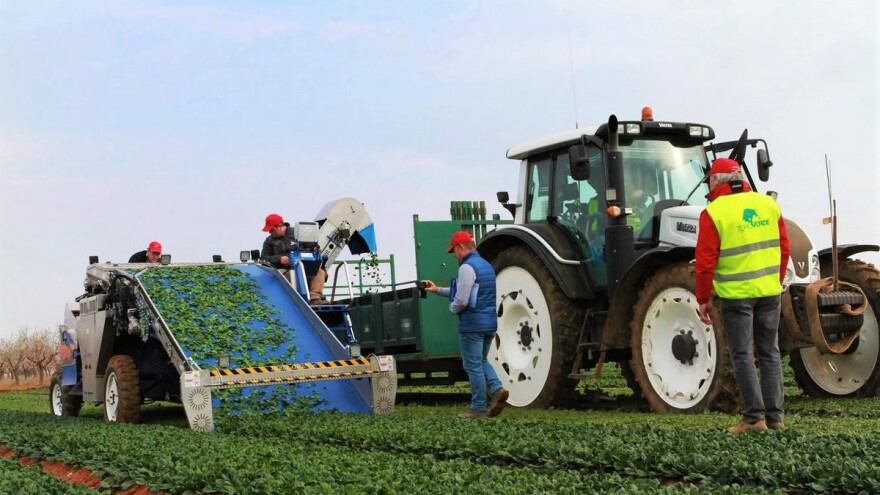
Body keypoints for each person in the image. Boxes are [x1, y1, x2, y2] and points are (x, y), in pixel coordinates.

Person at [695, 157, 790, 434]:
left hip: (736, 295)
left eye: (709, 180)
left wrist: (702, 298)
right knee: (770, 353)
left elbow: (705, 262)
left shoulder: (714, 212)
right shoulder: (768, 205)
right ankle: (775, 419)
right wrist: (776, 280)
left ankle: (753, 419)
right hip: (769, 292)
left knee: (742, 355)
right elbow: (784, 248)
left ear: (716, 181)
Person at [422, 230, 509, 419]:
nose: (453, 256)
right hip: (489, 323)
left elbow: (461, 300)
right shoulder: (485, 266)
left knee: (473, 366)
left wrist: (452, 309)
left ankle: (477, 408)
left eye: (453, 251)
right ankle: (497, 388)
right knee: (482, 361)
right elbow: (466, 291)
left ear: (461, 247)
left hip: (472, 325)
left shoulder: (466, 268)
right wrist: (437, 289)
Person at [261, 213, 328, 305]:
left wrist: (316, 250)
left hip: (304, 268)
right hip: (285, 271)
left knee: (320, 272)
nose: (270, 233)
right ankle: (286, 301)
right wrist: (279, 259)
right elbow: (264, 258)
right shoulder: (269, 241)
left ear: (280, 226)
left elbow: (312, 247)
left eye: (271, 230)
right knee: (282, 274)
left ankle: (315, 299)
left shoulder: (299, 234)